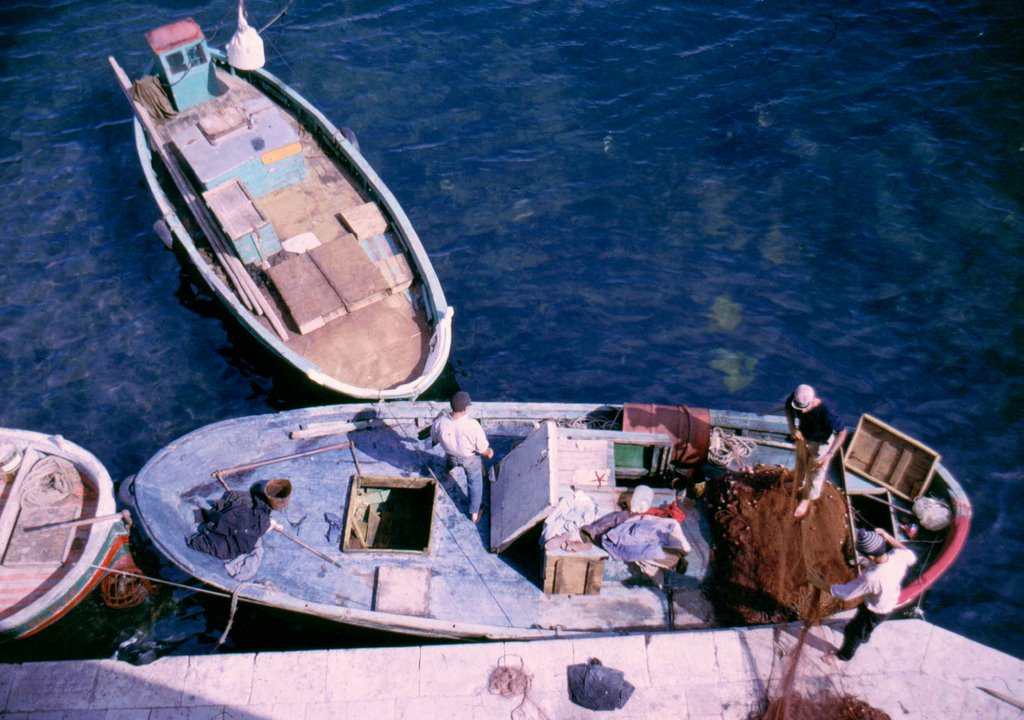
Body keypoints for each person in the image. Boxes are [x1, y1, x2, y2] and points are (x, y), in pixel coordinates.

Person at [808, 527, 917, 665]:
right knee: (865, 623)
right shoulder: (898, 556)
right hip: (888, 603)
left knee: (852, 632)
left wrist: (820, 583)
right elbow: (908, 552)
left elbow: (844, 594)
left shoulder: (872, 577)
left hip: (875, 610)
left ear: (870, 557)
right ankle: (865, 636)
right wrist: (887, 535)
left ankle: (842, 657)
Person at [785, 384, 848, 518]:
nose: (802, 412)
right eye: (799, 408)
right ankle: (798, 483)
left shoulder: (827, 412)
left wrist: (829, 455)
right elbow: (788, 408)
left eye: (804, 408)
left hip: (821, 444)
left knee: (815, 474)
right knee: (800, 464)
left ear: (812, 400)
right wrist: (792, 428)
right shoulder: (796, 398)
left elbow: (842, 432)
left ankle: (806, 499)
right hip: (803, 438)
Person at [431, 390, 494, 522]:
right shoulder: (473, 426)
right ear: (466, 408)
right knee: (475, 482)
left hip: (451, 455)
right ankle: (475, 513)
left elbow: (434, 438)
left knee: (451, 461)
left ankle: (448, 469)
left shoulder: (440, 422)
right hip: (469, 459)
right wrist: (489, 453)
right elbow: (483, 449)